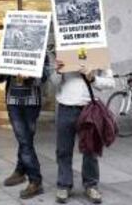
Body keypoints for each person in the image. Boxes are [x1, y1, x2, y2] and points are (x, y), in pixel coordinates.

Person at [51, 60, 115, 204]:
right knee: (63, 150)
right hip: (65, 107)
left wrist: (93, 78)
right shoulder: (64, 52)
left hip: (88, 109)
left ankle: (91, 185)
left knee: (90, 150)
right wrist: (57, 72)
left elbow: (111, 82)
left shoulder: (98, 52)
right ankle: (64, 184)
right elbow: (53, 83)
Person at [0, 56, 49, 199]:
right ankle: (34, 179)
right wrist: (4, 68)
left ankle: (21, 172)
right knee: (24, 141)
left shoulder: (40, 47)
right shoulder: (8, 48)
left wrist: (31, 76)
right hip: (13, 101)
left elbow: (45, 76)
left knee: (26, 141)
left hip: (32, 102)